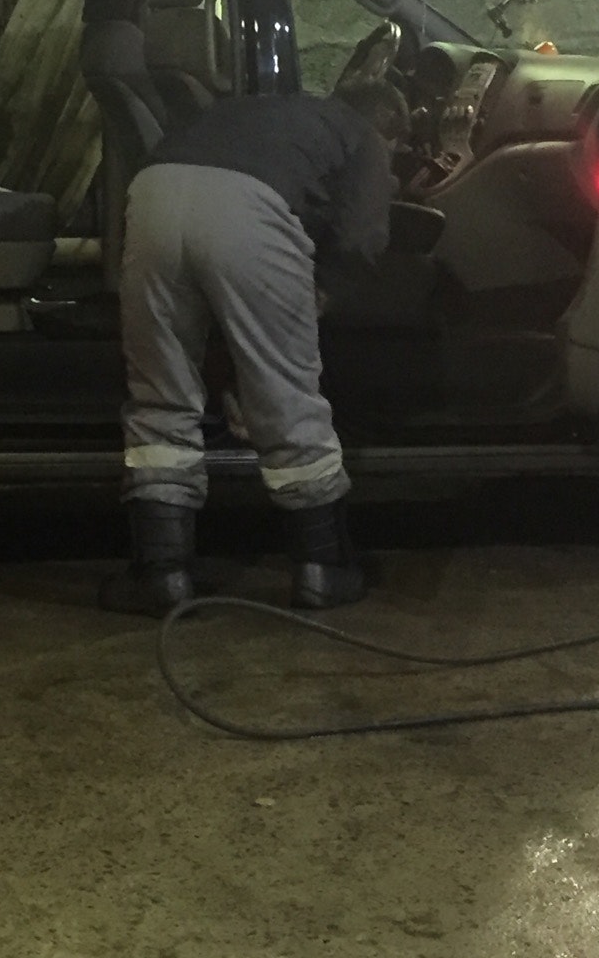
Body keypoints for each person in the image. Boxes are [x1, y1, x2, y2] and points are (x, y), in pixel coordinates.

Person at [101, 79, 409, 616]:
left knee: (160, 396)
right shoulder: (364, 136)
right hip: (250, 210)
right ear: (388, 127)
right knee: (286, 400)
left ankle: (160, 575)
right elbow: (361, 237)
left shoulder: (273, 114)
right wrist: (319, 296)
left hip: (152, 194)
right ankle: (323, 569)